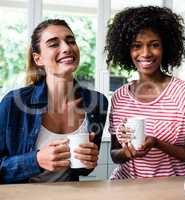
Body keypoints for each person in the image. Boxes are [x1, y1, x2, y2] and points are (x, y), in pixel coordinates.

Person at [0, 19, 108, 184]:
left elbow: (84, 169)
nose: (66, 48)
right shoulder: (14, 102)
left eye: (71, 41)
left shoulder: (97, 102)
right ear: (38, 59)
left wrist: (88, 162)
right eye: (53, 44)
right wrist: (35, 161)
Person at [105, 6, 185, 180]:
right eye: (137, 46)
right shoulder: (119, 97)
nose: (145, 53)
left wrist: (157, 143)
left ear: (165, 47)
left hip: (169, 191)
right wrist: (127, 153)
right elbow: (114, 155)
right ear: (127, 51)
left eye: (154, 45)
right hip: (124, 188)